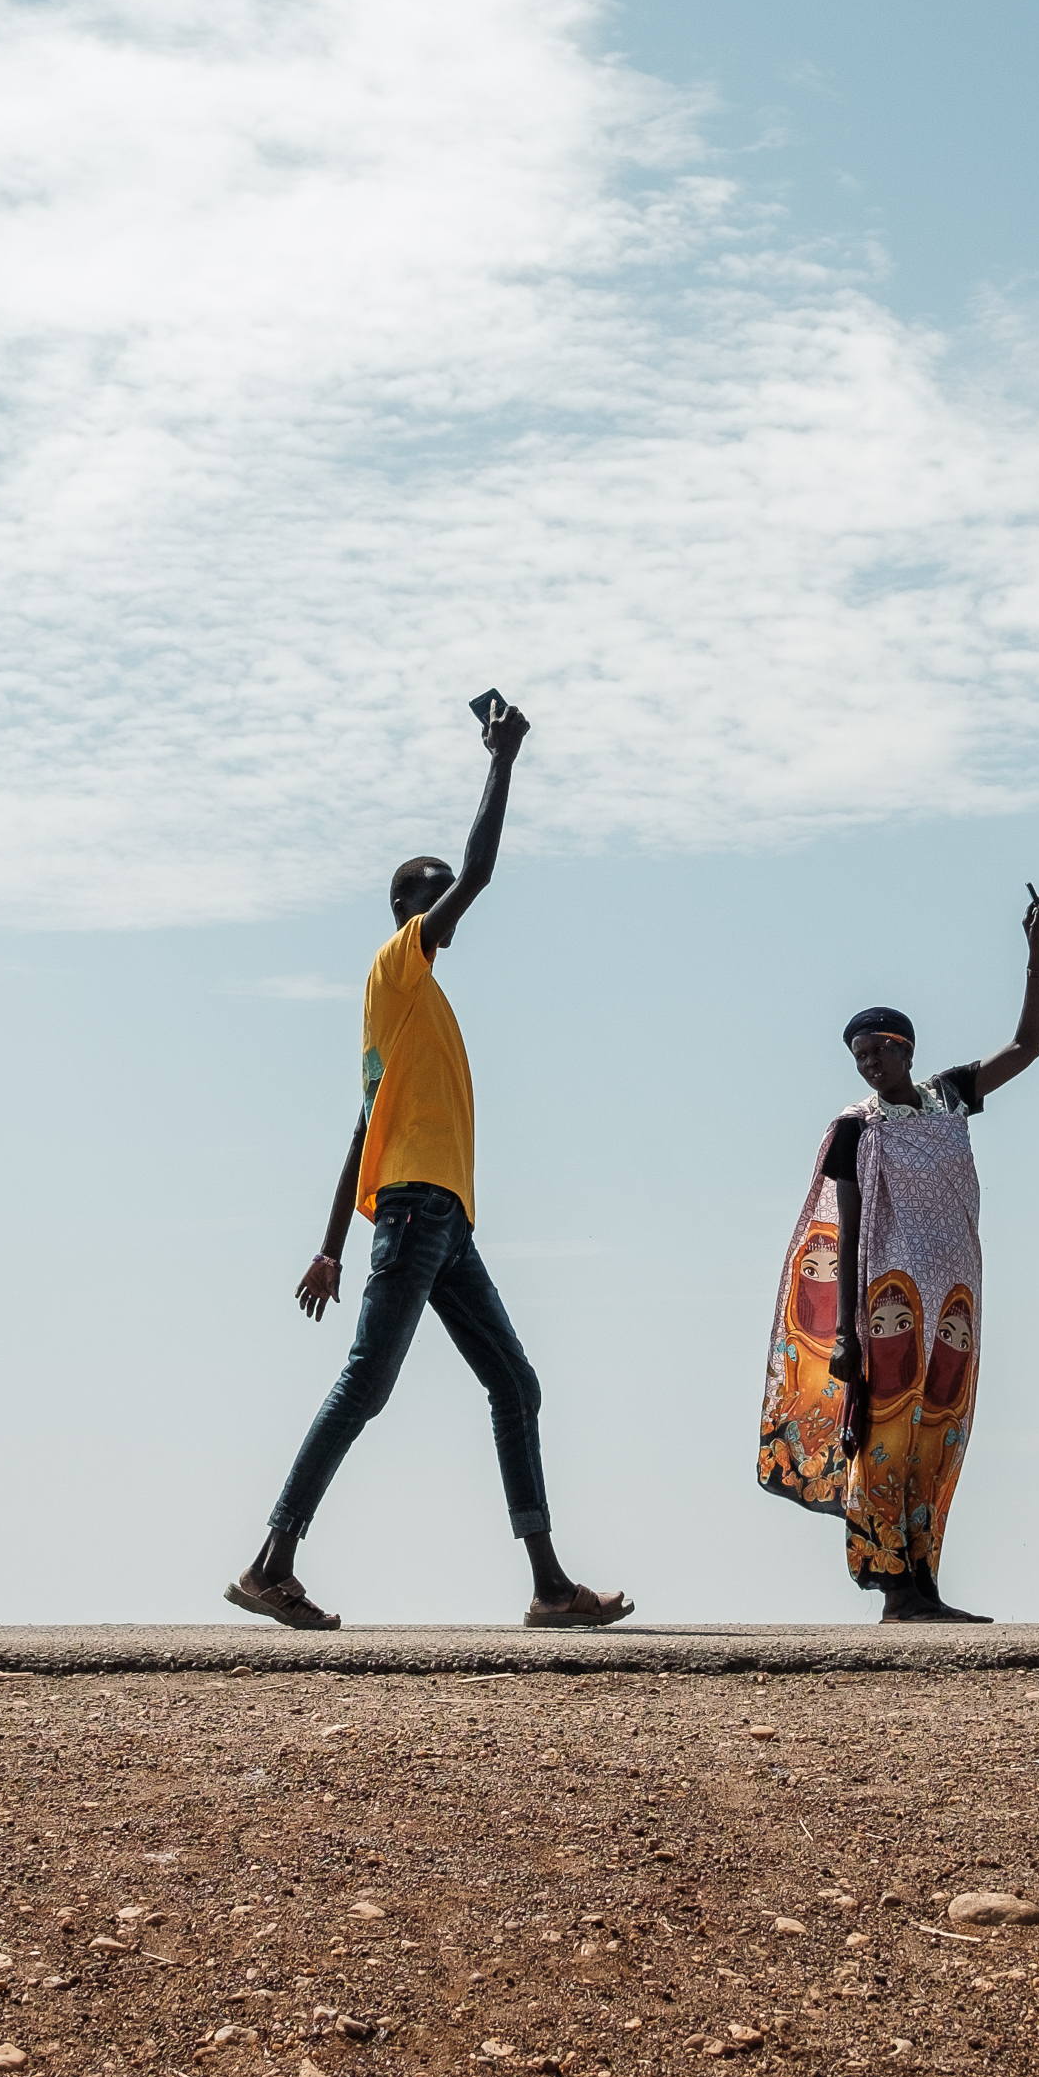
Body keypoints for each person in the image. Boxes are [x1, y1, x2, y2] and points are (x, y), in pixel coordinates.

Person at [227, 697, 630, 1632]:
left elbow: (361, 1123)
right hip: (416, 1215)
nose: (454, 907)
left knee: (514, 1384)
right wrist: (505, 758)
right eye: (438, 897)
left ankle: (547, 1586)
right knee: (369, 1381)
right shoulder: (396, 968)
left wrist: (329, 1243)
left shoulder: (415, 1008)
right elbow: (481, 870)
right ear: (413, 911)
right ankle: (270, 1561)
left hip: (440, 1224)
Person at [756, 890, 1039, 1622]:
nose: (868, 1066)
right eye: (859, 1058)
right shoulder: (857, 1130)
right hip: (887, 1304)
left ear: (904, 1048)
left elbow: (1028, 1048)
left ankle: (923, 1582)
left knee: (937, 1435)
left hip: (951, 1300)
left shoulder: (950, 1097)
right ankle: (893, 1587)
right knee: (887, 1434)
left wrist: (1036, 961)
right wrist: (847, 1333)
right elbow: (849, 1229)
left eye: (877, 1052)